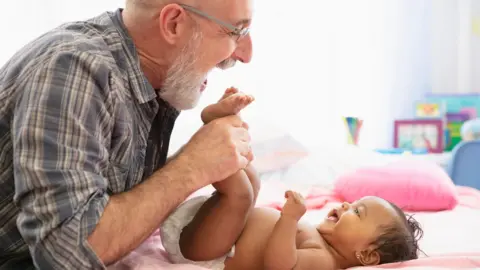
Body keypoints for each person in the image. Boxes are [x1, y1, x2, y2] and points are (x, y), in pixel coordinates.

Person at [0, 0, 254, 269]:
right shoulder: (75, 70)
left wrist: (207, 158)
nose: (246, 54)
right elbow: (68, 254)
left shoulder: (155, 77)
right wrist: (191, 168)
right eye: (235, 32)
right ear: (173, 24)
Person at [161, 97, 423, 270]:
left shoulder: (324, 261)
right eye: (353, 204)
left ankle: (215, 129)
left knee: (240, 194)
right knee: (250, 182)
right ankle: (223, 136)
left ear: (366, 255)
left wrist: (288, 220)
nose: (345, 205)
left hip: (207, 252)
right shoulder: (320, 241)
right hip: (215, 231)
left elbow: (280, 265)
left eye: (357, 211)